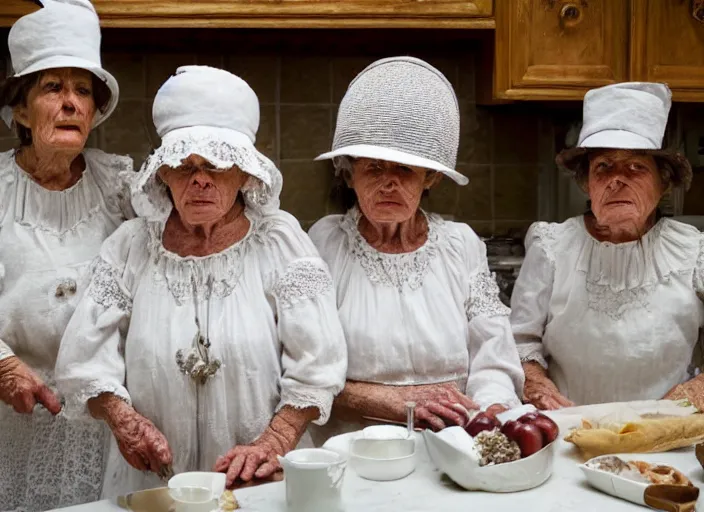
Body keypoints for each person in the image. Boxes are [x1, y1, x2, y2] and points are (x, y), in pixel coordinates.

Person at [55, 65, 348, 497]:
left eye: (216, 163)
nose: (200, 180)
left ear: (245, 173)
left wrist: (275, 440)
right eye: (183, 165)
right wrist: (124, 421)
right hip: (149, 479)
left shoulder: (280, 243)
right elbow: (82, 359)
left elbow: (318, 364)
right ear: (162, 174)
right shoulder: (131, 245)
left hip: (255, 479)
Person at [309, 57, 524, 440]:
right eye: (374, 168)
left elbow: (494, 359)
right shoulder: (325, 245)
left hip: (456, 443)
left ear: (431, 178)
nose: (389, 183)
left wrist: (489, 413)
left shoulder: (461, 245)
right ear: (348, 171)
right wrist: (399, 402)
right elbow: (303, 372)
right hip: (354, 452)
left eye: (405, 169)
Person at [0, 1, 133, 509]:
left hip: (107, 416)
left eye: (83, 91)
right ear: (19, 109)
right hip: (18, 420)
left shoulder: (121, 184)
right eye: (52, 88)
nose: (72, 103)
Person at [510, 82, 704, 410]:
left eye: (636, 167)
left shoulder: (694, 251)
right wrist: (535, 382)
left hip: (666, 433)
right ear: (587, 183)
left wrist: (693, 394)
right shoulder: (552, 247)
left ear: (663, 182)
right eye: (603, 167)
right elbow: (519, 341)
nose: (617, 180)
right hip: (571, 431)